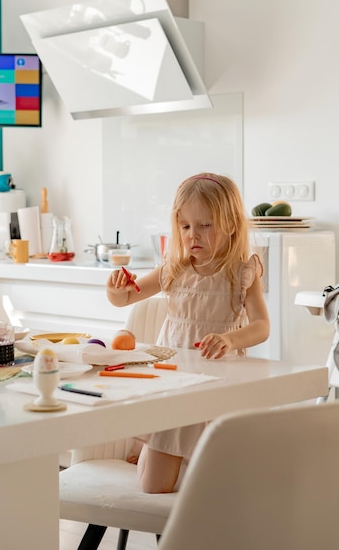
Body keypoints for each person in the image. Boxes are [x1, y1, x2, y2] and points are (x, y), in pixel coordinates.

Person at [106, 172, 270, 493]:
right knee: (155, 486)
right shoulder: (174, 269)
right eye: (185, 226)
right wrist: (114, 289)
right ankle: (148, 448)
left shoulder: (241, 273)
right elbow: (126, 297)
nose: (193, 234)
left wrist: (229, 339)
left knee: (212, 488)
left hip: (218, 387)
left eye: (205, 225)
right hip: (174, 384)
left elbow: (261, 327)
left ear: (232, 224)